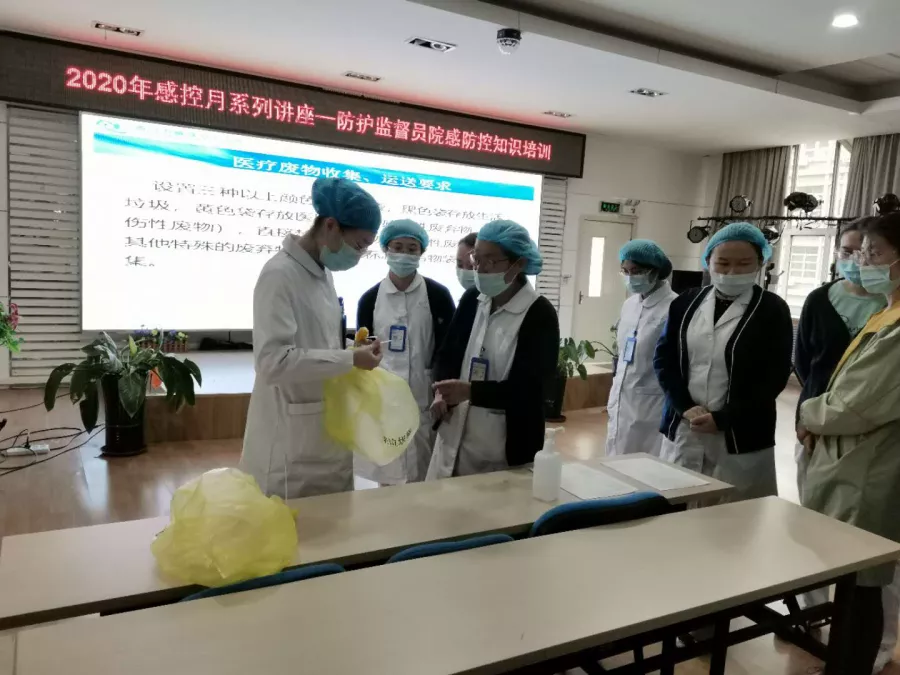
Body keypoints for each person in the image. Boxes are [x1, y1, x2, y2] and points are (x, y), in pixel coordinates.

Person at [799, 213, 900, 674]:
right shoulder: (887, 311)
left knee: (861, 585)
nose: (863, 262)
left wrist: (808, 415)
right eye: (860, 252)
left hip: (869, 464)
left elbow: (854, 403)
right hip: (855, 457)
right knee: (852, 581)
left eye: (874, 253)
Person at [240, 177, 383, 499]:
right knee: (295, 523)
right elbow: (273, 362)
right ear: (331, 226)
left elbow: (317, 342)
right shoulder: (280, 274)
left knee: (334, 517)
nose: (359, 255)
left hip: (324, 423)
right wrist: (349, 358)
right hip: (290, 441)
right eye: (359, 245)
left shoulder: (322, 273)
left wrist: (352, 349)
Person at [654, 222, 793, 501]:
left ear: (760, 263)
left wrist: (724, 419)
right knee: (678, 507)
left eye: (744, 263)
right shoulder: (686, 302)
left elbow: (774, 375)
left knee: (734, 515)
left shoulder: (772, 309)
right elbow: (664, 359)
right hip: (686, 424)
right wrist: (684, 406)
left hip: (741, 433)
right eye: (723, 263)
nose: (732, 272)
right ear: (708, 262)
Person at [426, 220, 559, 478]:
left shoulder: (539, 313)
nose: (479, 268)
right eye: (476, 258)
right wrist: (442, 392)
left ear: (518, 263)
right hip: (455, 433)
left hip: (504, 447)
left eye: (490, 260)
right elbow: (448, 354)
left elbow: (533, 389)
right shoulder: (472, 299)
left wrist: (470, 391)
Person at [356, 219, 456, 485]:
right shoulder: (370, 299)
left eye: (412, 248)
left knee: (425, 475)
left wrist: (442, 392)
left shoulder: (438, 295)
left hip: (426, 399)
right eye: (397, 247)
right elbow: (364, 350)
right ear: (385, 250)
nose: (404, 254)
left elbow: (448, 349)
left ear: (422, 252)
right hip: (384, 400)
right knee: (389, 475)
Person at [794, 217, 886, 500]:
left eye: (864, 253)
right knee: (813, 497)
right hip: (815, 414)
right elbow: (804, 362)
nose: (856, 261)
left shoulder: (890, 304)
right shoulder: (819, 300)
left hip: (873, 421)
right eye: (847, 252)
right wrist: (811, 415)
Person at [606, 240, 678, 457]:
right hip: (622, 396)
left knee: (645, 462)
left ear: (655, 271)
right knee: (616, 457)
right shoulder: (629, 304)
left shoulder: (675, 307)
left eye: (636, 271)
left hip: (651, 402)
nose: (630, 277)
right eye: (625, 271)